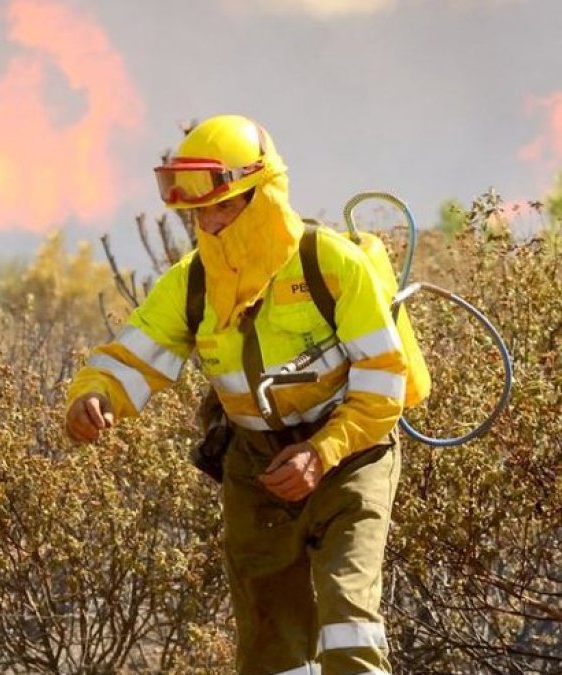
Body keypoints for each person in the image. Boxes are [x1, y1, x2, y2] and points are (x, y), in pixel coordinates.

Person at [65, 114, 407, 675]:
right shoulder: (192, 282)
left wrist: (321, 453)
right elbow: (130, 357)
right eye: (198, 210)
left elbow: (383, 379)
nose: (209, 222)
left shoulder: (331, 264)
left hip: (351, 453)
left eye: (223, 205)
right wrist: (94, 396)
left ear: (263, 194)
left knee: (349, 623)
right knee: (271, 649)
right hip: (255, 466)